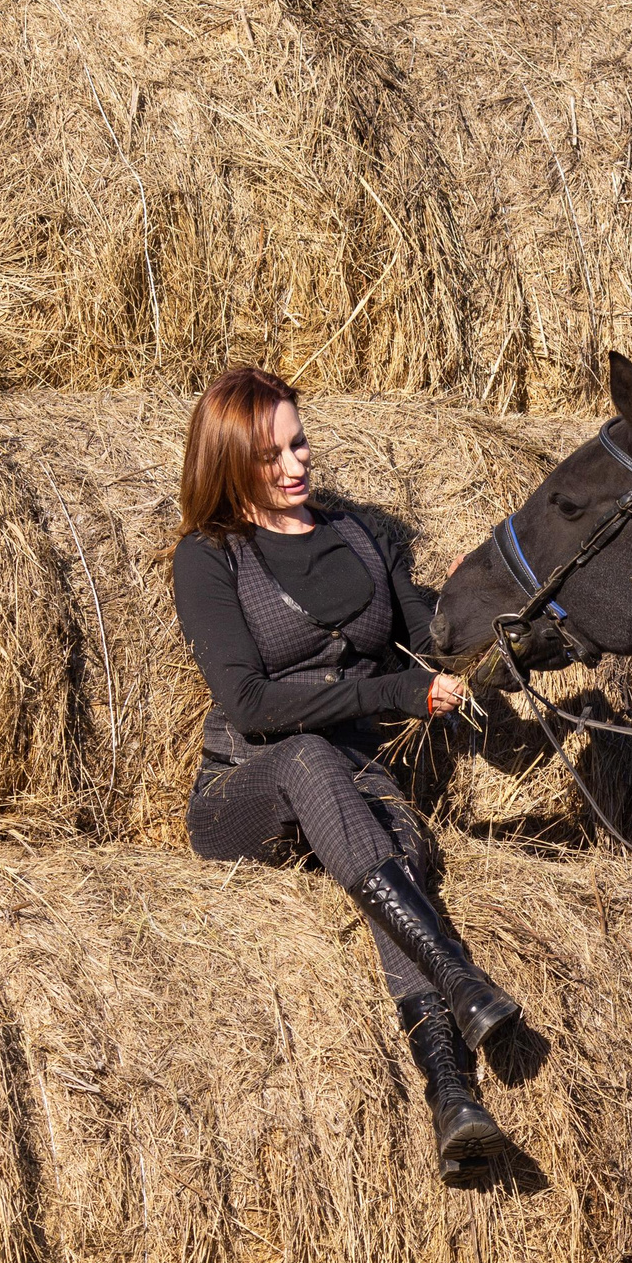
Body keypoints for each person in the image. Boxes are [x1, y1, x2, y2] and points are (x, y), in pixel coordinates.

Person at [169, 367, 517, 1177]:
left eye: (299, 444)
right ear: (229, 462)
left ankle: (451, 1092)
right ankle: (456, 973)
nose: (296, 464)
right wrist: (395, 694)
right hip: (245, 792)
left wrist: (482, 603)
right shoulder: (208, 558)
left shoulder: (359, 537)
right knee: (307, 757)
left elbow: (429, 643)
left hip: (355, 790)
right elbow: (252, 705)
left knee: (402, 843)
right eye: (271, 456)